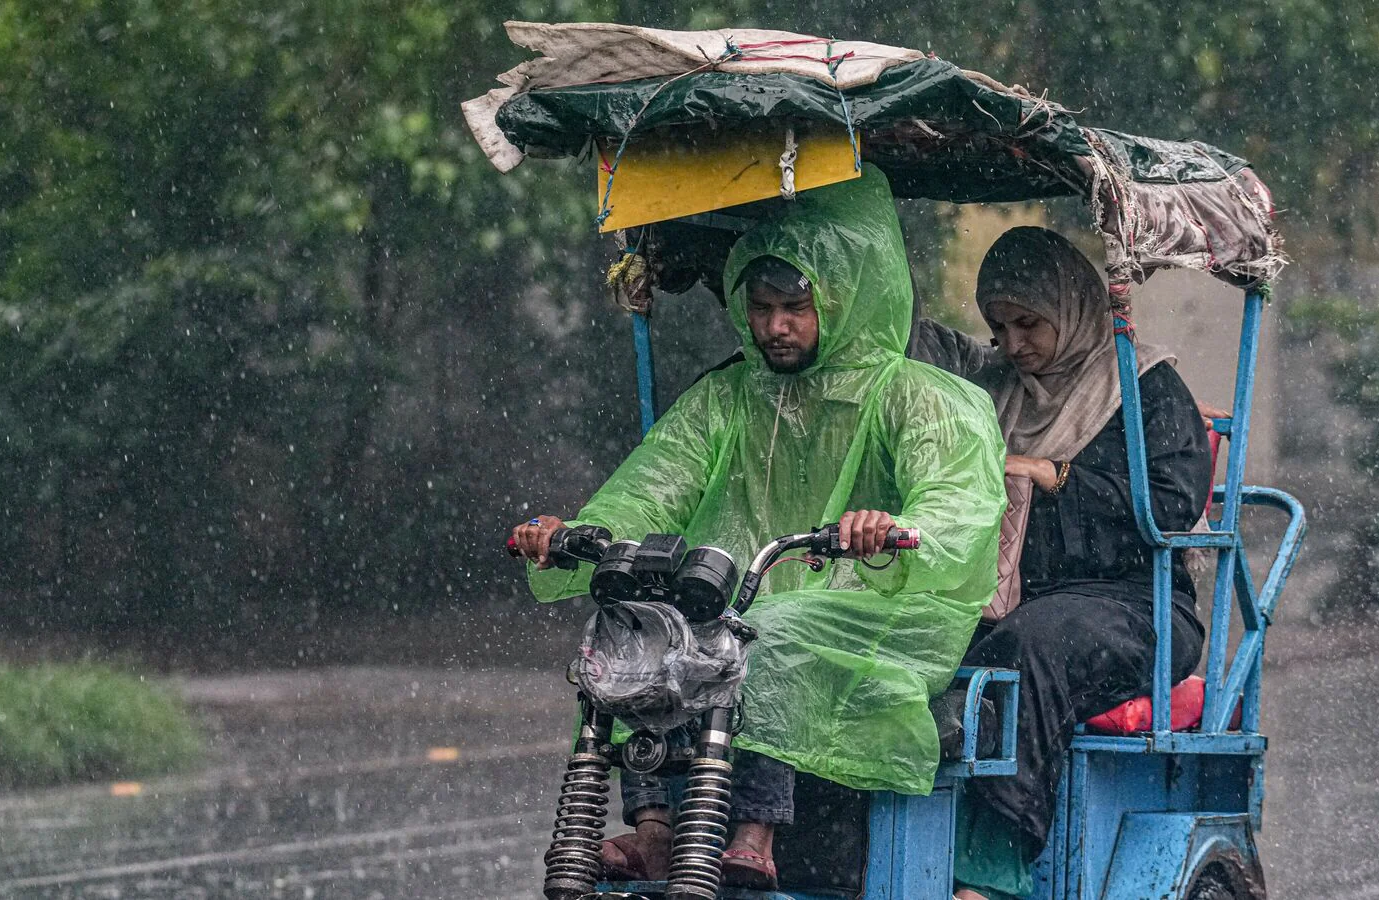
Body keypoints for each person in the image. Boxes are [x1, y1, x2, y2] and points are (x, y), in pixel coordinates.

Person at [510, 167, 1007, 890]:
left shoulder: (923, 396)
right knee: (633, 625)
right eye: (763, 307)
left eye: (795, 308)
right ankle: (655, 828)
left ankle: (755, 829)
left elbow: (957, 508)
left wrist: (891, 529)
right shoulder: (726, 397)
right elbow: (651, 490)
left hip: (883, 609)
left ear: (844, 298)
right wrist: (577, 535)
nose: (775, 327)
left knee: (762, 634)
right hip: (744, 597)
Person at [913, 227, 1212, 900]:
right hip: (1009, 598)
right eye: (999, 327)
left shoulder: (1145, 386)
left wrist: (1056, 475)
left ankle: (991, 870)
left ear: (1071, 308)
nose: (1013, 344)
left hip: (1138, 605)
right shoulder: (995, 390)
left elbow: (1172, 504)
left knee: (1032, 646)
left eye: (1029, 324)